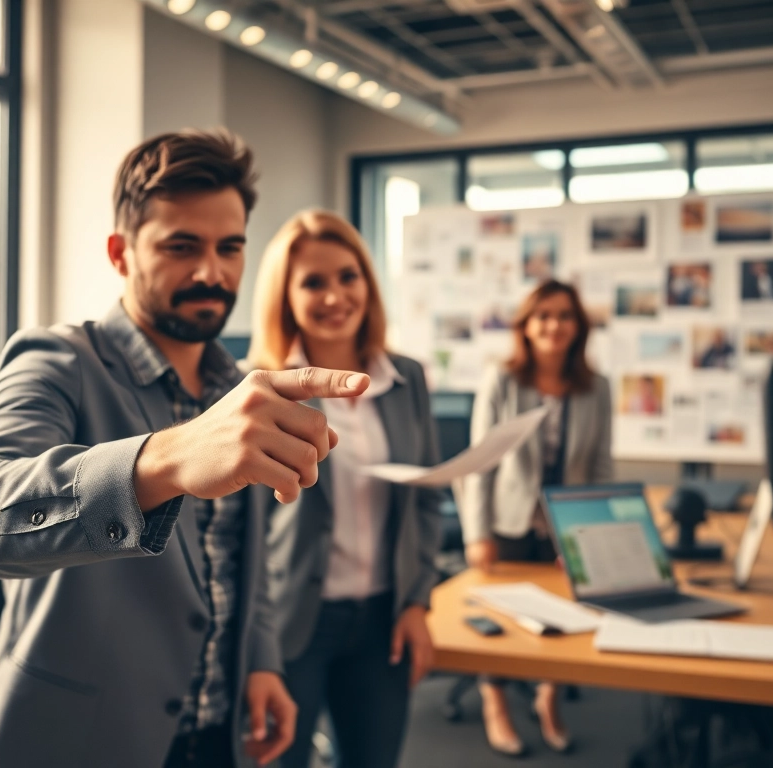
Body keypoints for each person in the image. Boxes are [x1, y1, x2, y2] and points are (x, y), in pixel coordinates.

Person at [0, 130, 370, 768]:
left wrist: (261, 662)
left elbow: (242, 561)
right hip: (79, 739)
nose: (212, 271)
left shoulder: (238, 386)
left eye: (229, 247)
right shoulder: (58, 359)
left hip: (218, 734)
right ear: (121, 253)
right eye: (182, 247)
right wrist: (167, 459)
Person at [247, 210, 441, 768]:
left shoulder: (408, 379)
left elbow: (426, 498)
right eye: (313, 282)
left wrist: (417, 600)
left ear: (368, 284)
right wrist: (254, 644)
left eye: (347, 277)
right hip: (292, 620)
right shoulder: (259, 389)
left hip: (384, 619)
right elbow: (244, 529)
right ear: (285, 296)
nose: (335, 296)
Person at [458, 279, 614, 757]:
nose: (554, 325)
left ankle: (549, 698)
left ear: (578, 327)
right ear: (526, 326)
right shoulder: (503, 380)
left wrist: (595, 537)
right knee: (501, 620)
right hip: (507, 521)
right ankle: (497, 702)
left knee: (566, 617)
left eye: (564, 315)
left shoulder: (597, 387)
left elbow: (602, 465)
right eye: (543, 315)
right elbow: (480, 462)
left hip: (567, 525)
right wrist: (476, 533)